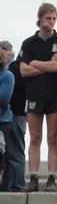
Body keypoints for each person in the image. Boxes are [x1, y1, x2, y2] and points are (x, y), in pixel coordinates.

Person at [19, 2, 57, 192]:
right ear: (40, 18)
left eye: (54, 18)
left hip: (56, 94)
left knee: (52, 137)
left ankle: (51, 179)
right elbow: (24, 71)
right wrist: (47, 65)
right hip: (34, 94)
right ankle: (33, 178)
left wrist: (35, 63)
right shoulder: (28, 43)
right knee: (35, 137)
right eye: (48, 18)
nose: (51, 21)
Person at [0, 41, 26, 192]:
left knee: (14, 153)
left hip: (15, 116)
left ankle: (16, 186)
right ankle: (6, 186)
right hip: (10, 116)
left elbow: (4, 97)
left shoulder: (15, 69)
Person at [0, 50, 15, 183]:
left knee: (4, 154)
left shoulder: (7, 75)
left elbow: (4, 97)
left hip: (3, 121)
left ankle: (6, 186)